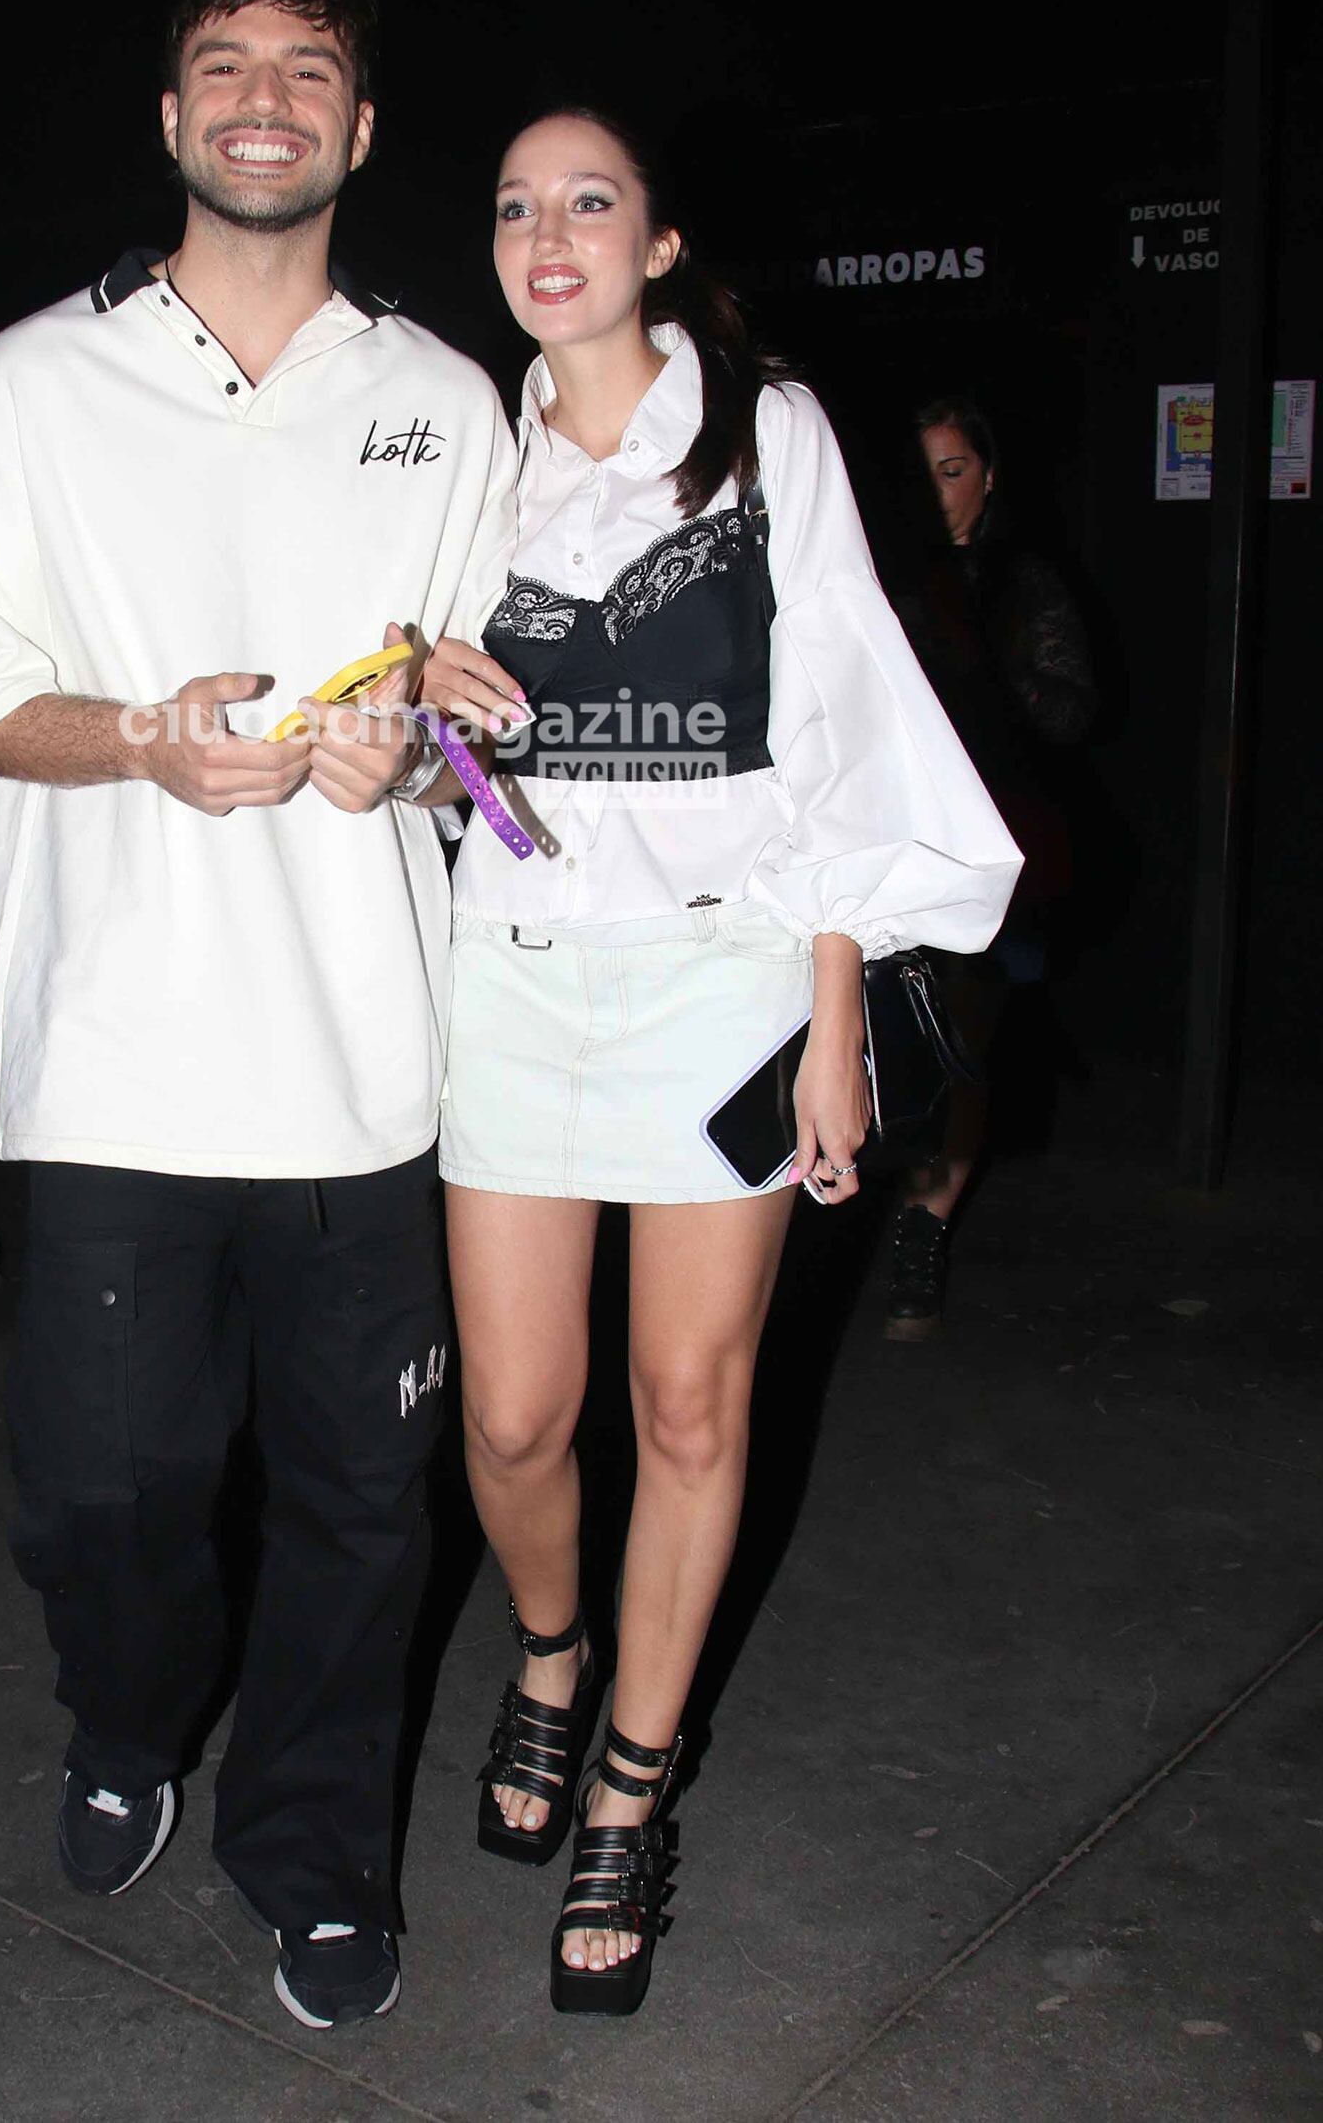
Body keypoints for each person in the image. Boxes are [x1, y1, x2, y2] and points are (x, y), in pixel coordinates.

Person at [0, 0, 514, 2032]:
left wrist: (411, 740)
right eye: (225, 66)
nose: (266, 96)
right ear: (172, 122)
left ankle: (320, 1853)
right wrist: (145, 740)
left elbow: (476, 718)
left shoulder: (445, 405)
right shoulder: (30, 387)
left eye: (309, 67)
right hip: (107, 1067)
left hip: (366, 1073)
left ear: (357, 129)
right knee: (104, 1498)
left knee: (362, 1505)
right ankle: (126, 1715)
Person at [418, 108, 1021, 2015]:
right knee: (514, 1416)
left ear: (662, 241)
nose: (550, 233)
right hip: (510, 972)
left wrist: (837, 1008)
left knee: (690, 1408)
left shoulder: (773, 438)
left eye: (590, 200)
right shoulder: (456, 451)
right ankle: (548, 1644)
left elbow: (846, 715)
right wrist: (413, 689)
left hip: (728, 981)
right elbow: (386, 703)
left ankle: (629, 1779)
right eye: (517, 206)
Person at [882, 395, 1097, 1339]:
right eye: (922, 472)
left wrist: (982, 680)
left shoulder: (1023, 585)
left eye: (954, 470)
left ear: (989, 477)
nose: (938, 493)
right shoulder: (882, 580)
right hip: (893, 849)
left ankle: (923, 1231)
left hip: (996, 854)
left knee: (963, 1045)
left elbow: (1072, 715)